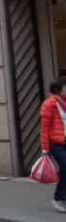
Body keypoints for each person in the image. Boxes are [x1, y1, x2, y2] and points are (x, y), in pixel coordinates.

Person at [38, 77, 66, 213]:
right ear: (57, 89)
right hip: (55, 142)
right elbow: (45, 127)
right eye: (65, 87)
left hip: (65, 140)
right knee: (65, 167)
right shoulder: (49, 104)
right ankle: (57, 199)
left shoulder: (64, 103)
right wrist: (45, 148)